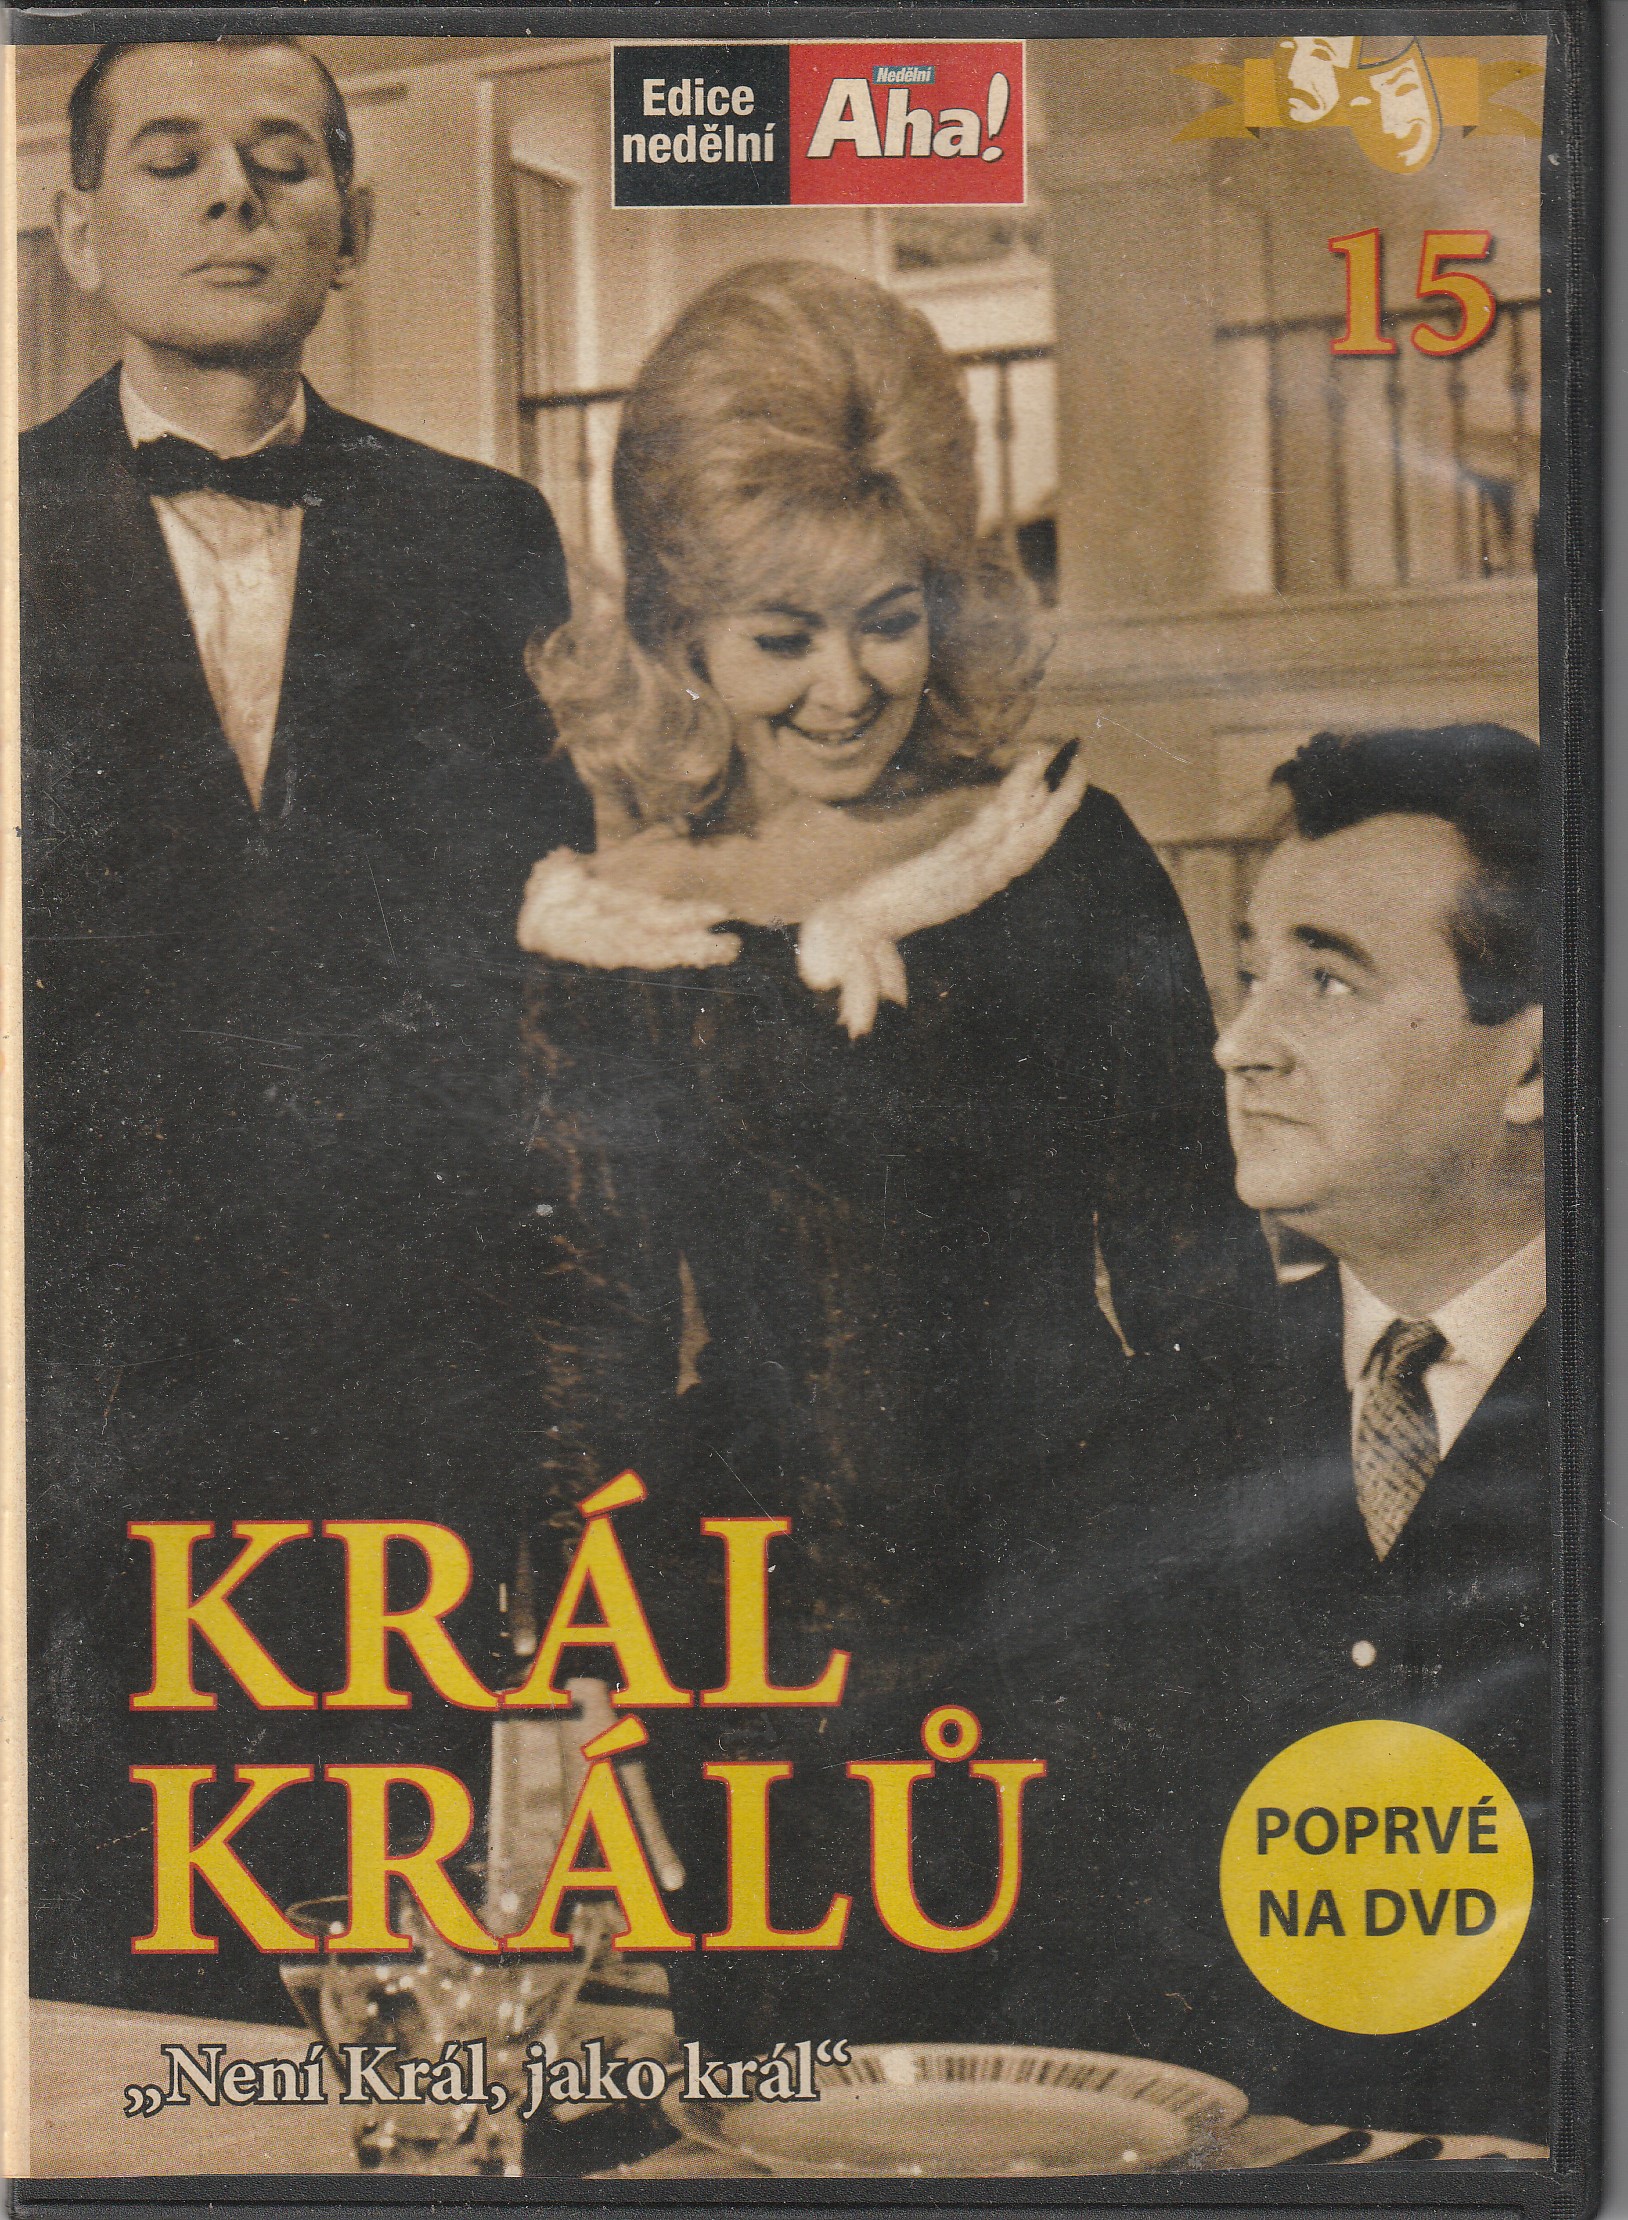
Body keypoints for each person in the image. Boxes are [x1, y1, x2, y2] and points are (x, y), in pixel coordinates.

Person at [513, 259, 1270, 2054]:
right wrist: (580, 1662)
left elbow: (1202, 1288)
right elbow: (587, 1344)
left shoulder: (1066, 862)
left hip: (1074, 1619)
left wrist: (1221, 1615)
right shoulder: (603, 929)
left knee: (1089, 2095)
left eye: (890, 618)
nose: (846, 687)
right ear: (679, 634)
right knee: (781, 2105)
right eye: (783, 637)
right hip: (750, 1658)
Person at [21, 39, 587, 2023]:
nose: (231, 196)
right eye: (171, 158)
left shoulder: (487, 533)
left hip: (403, 1395)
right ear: (78, 229)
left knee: (384, 1971)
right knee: (91, 1986)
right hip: (70, 1396)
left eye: (283, 157)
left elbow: (546, 947)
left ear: (352, 225)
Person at [1055, 726, 1547, 2143]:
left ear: (1537, 1062)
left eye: (1326, 981)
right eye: (1250, 970)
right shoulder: (1145, 1429)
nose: (1238, 1042)